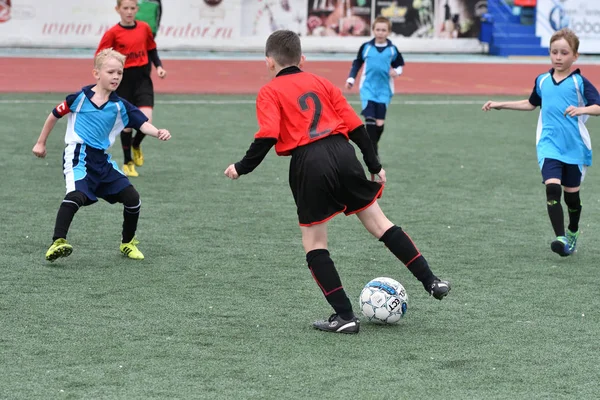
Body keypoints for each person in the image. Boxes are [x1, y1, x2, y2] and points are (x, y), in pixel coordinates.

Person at [224, 30, 450, 334]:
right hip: (343, 153)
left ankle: (345, 316)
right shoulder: (322, 82)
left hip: (308, 162)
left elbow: (267, 135)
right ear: (302, 59)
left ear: (268, 62)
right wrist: (374, 164)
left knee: (315, 243)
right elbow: (357, 127)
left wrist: (242, 167)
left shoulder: (269, 91)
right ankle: (431, 280)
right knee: (380, 223)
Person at [32, 48, 171, 262]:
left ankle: (127, 243)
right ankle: (58, 241)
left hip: (102, 160)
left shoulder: (120, 106)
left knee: (132, 199)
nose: (116, 76)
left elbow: (143, 124)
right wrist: (41, 143)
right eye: (111, 72)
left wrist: (158, 131)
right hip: (78, 155)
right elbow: (54, 115)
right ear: (97, 73)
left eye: (120, 73)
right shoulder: (79, 98)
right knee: (76, 196)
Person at [482, 28, 600, 257]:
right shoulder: (543, 80)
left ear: (574, 55)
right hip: (549, 145)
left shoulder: (579, 82)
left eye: (564, 53)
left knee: (572, 197)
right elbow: (530, 103)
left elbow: (598, 106)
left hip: (575, 147)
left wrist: (581, 109)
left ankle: (573, 230)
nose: (558, 57)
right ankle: (561, 238)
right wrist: (500, 104)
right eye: (554, 52)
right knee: (553, 188)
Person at [96, 0, 167, 177]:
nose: (129, 12)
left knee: (146, 120)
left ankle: (136, 144)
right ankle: (128, 161)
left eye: (132, 8)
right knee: (127, 125)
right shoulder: (112, 33)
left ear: (137, 9)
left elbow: (151, 49)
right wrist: (104, 75)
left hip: (143, 78)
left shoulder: (144, 28)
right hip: (123, 80)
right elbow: (101, 56)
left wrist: (158, 66)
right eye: (125, 8)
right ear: (117, 10)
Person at [345, 16, 405, 159]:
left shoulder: (392, 49)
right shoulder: (366, 47)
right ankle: (372, 154)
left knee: (379, 124)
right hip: (368, 89)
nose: (380, 32)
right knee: (369, 120)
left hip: (384, 90)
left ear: (388, 32)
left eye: (383, 30)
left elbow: (400, 64)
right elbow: (357, 63)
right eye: (377, 29)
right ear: (373, 30)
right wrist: (351, 78)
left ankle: (373, 145)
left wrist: (396, 71)